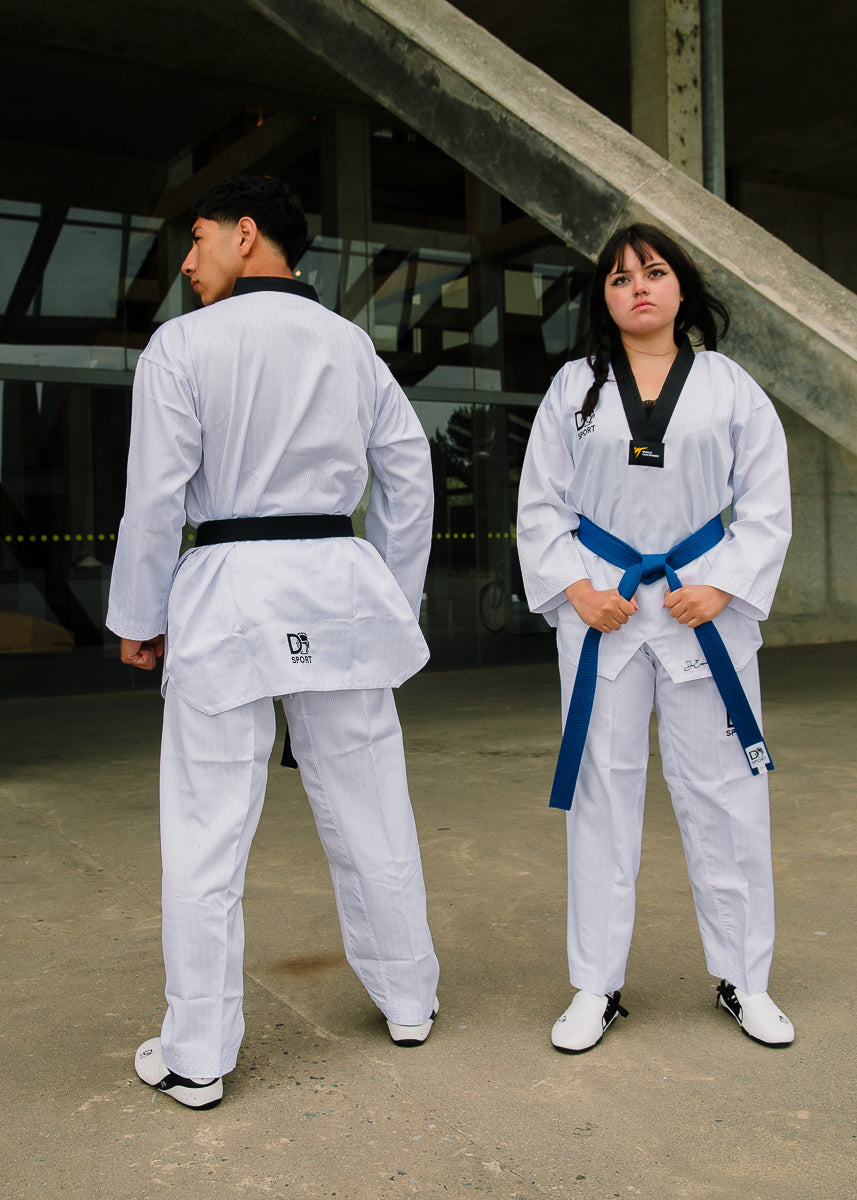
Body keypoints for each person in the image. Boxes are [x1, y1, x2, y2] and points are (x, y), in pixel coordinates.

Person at [106, 175, 440, 1110]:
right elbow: (408, 474)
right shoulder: (350, 345)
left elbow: (153, 496)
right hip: (338, 592)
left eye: (198, 238)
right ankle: (409, 999)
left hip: (228, 594)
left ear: (245, 234)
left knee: (206, 829)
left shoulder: (182, 345)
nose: (187, 260)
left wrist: (139, 615)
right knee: (372, 805)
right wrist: (393, 599)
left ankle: (198, 1054)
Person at [517, 223, 794, 1053]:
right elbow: (540, 503)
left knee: (725, 795)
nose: (636, 286)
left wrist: (723, 585)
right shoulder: (574, 386)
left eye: (653, 271)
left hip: (700, 607)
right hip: (601, 608)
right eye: (618, 277)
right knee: (600, 795)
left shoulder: (729, 386)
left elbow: (766, 503)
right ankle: (594, 986)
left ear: (681, 288)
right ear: (602, 298)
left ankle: (745, 979)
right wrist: (576, 590)